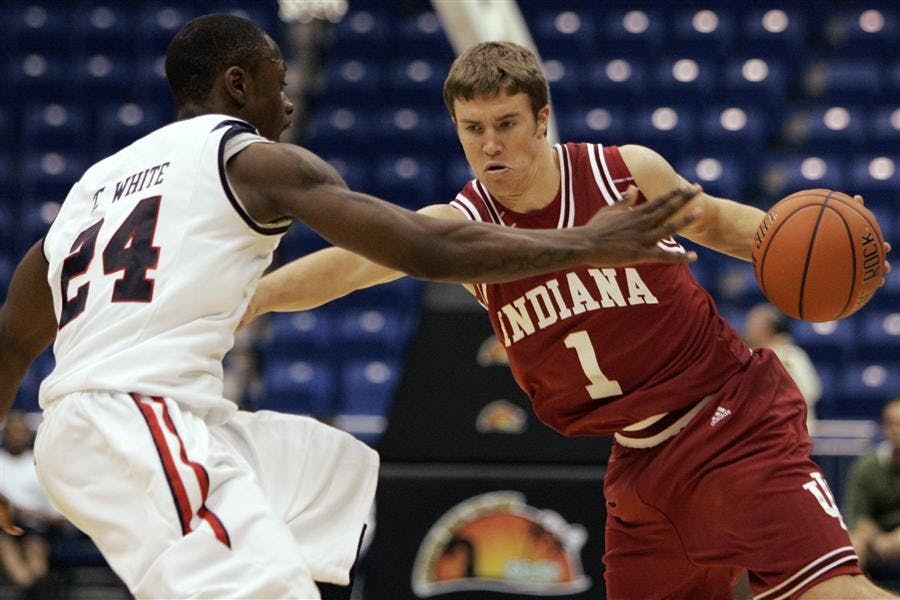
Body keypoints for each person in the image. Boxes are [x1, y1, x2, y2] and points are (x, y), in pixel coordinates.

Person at [0, 15, 704, 600]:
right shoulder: (256, 161)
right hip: (133, 421)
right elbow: (426, 249)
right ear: (237, 83)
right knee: (263, 587)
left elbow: (11, 338)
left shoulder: (94, 187)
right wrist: (583, 242)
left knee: (332, 478)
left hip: (139, 422)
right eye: (278, 79)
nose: (289, 101)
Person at [240, 41, 894, 599]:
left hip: (729, 421)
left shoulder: (623, 176)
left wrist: (825, 248)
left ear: (542, 118)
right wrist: (250, 301)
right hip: (638, 467)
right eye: (474, 129)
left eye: (506, 124)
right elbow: (351, 265)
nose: (490, 144)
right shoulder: (464, 232)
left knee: (829, 590)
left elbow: (724, 223)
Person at [0, 412, 65, 599]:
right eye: (12, 431)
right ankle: (35, 590)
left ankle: (34, 589)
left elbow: (56, 515)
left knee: (35, 549)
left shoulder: (38, 464)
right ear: (5, 434)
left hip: (34, 526)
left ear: (28, 434)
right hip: (3, 527)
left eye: (21, 431)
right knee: (5, 546)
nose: (17, 436)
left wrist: (27, 511)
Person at [845, 398, 900, 589]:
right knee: (853, 546)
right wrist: (878, 539)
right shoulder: (867, 466)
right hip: (874, 538)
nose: (896, 429)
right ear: (884, 428)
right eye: (891, 423)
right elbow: (858, 515)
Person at [743, 302, 823, 433]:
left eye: (753, 323)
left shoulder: (790, 355)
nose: (747, 328)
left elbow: (811, 391)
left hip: (787, 437)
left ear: (767, 329)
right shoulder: (752, 357)